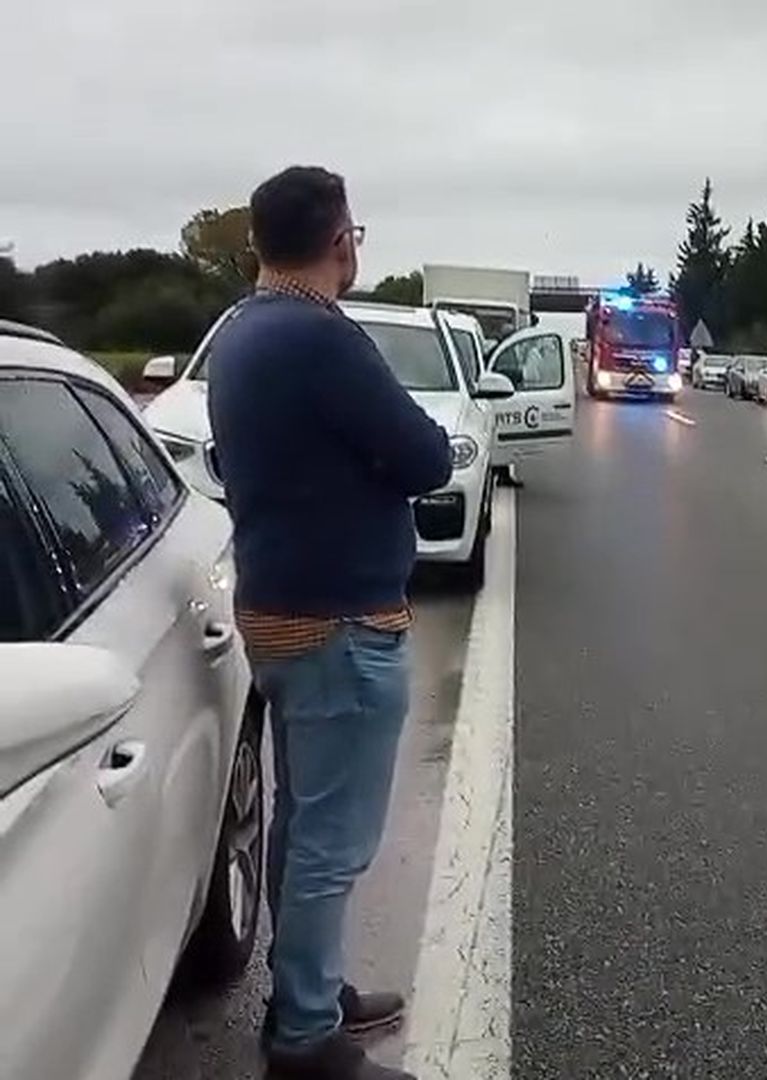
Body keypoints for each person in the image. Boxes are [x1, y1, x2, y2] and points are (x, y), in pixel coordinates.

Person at [207, 166, 451, 1080]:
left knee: (305, 823)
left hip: (277, 611)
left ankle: (310, 989)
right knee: (331, 842)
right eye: (355, 234)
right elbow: (424, 455)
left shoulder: (241, 332)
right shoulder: (319, 338)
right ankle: (305, 1036)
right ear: (340, 238)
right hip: (338, 625)